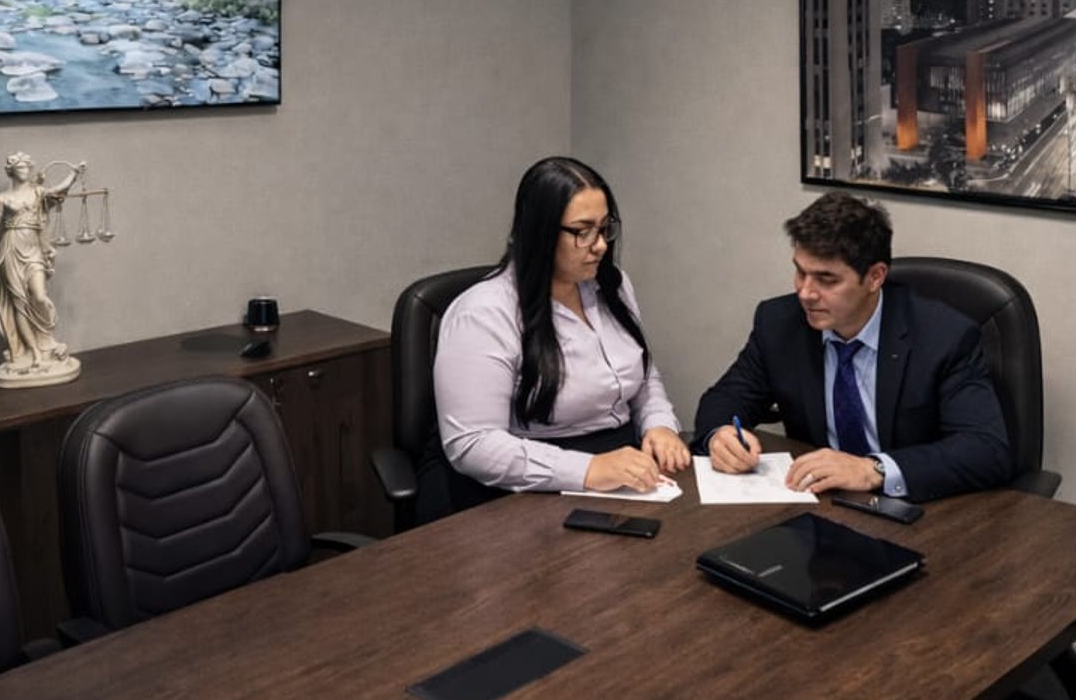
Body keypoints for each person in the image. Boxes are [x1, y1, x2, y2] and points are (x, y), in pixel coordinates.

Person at [694, 191, 1011, 500]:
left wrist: (875, 470)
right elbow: (725, 398)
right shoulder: (779, 323)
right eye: (800, 272)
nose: (805, 293)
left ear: (875, 277)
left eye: (826, 279)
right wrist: (720, 435)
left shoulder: (944, 337)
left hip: (918, 511)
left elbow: (985, 449)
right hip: (820, 506)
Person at [429, 156, 689, 521]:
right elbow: (473, 445)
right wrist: (589, 470)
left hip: (623, 465)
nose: (599, 245)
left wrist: (659, 423)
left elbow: (642, 374)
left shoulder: (611, 285)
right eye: (583, 231)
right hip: (529, 485)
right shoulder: (483, 314)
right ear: (541, 232)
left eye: (605, 228)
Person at [0, 152, 83, 384]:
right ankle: (33, 352)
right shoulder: (2, 198)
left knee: (40, 297)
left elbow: (58, 190)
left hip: (33, 249)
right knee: (19, 304)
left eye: (27, 167)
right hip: (10, 248)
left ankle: (46, 341)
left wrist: (73, 174)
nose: (25, 170)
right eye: (20, 167)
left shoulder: (37, 191)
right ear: (11, 171)